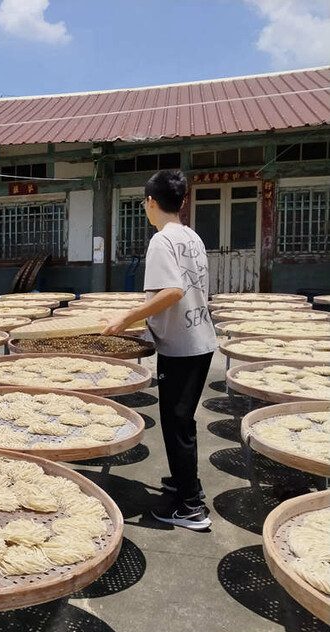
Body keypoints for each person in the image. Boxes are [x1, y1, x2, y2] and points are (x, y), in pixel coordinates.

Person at [102, 169, 216, 531]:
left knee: (177, 425)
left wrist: (126, 318)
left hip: (182, 347)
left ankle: (191, 508)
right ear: (183, 202)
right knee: (182, 422)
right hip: (200, 340)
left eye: (144, 203)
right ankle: (185, 483)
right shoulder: (192, 237)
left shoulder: (161, 241)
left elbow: (172, 292)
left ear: (151, 202)